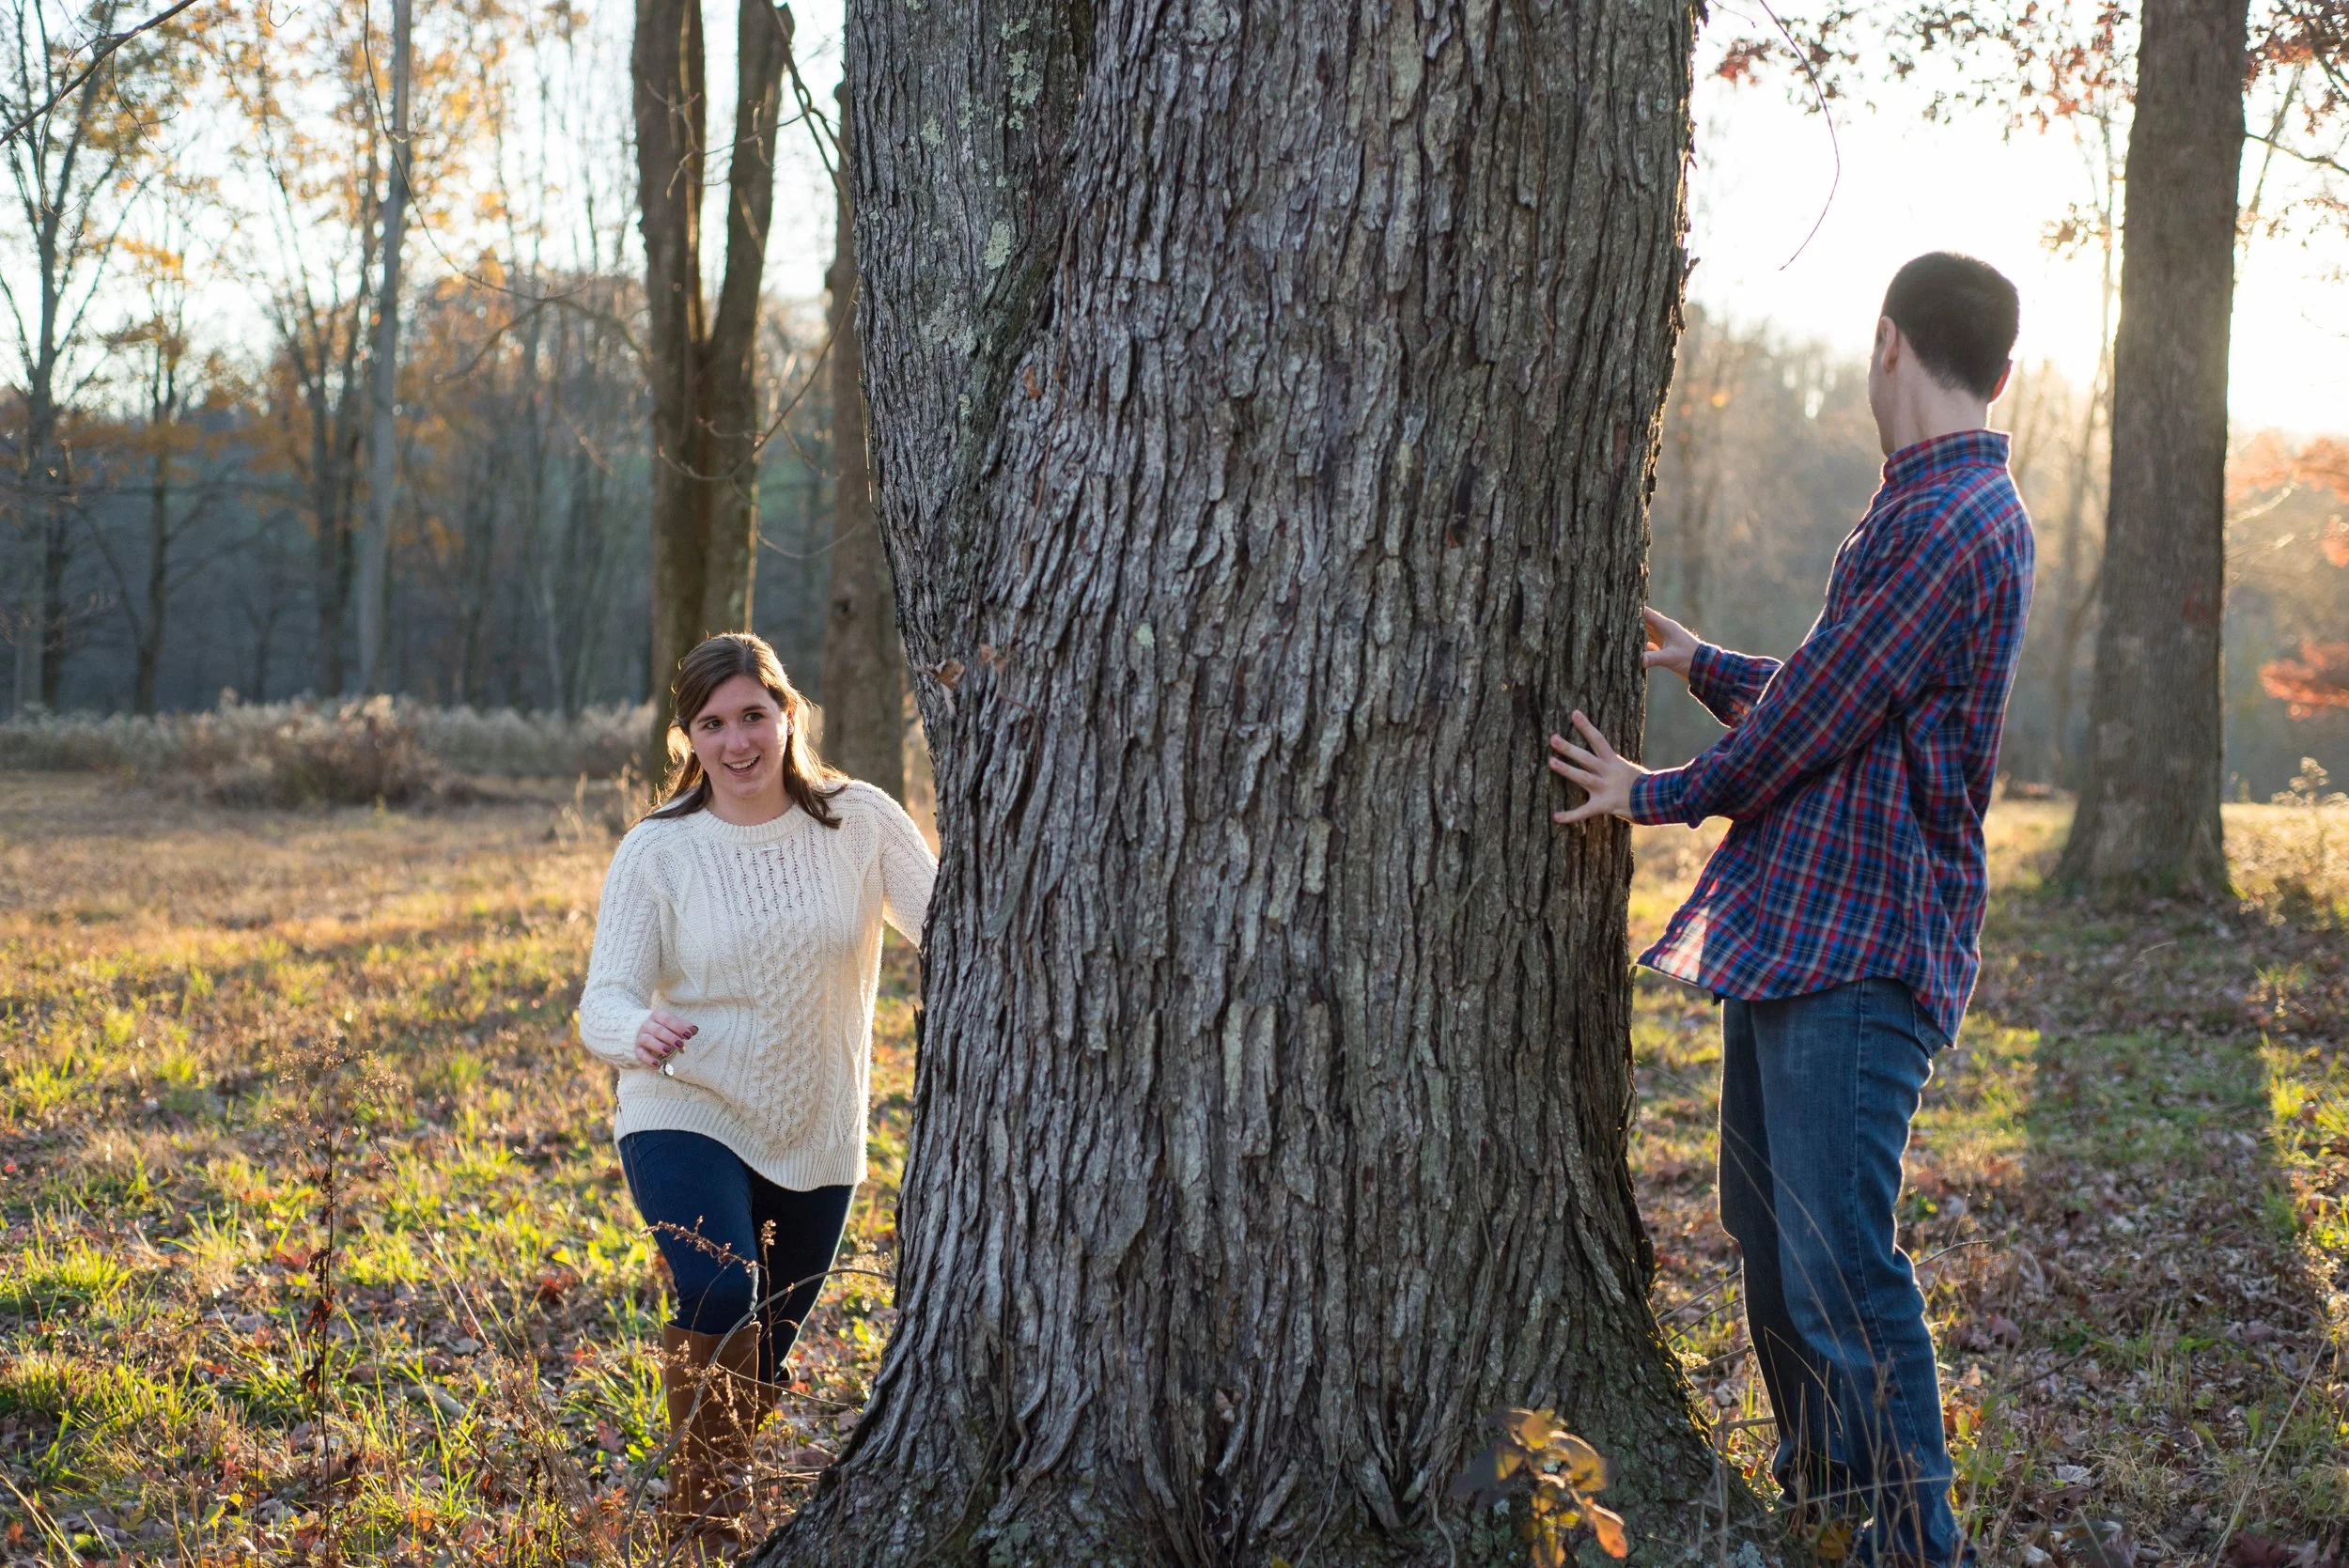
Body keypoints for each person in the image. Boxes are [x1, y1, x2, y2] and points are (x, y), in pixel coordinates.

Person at [1547, 252, 2031, 1567]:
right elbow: (1846, 690)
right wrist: (1701, 662)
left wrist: (1660, 793)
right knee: (1773, 1241)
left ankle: (1913, 1547)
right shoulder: (1922, 510)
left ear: (1888, 344)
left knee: (1838, 1267)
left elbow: (1822, 712)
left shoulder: (1956, 521)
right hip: (1810, 933)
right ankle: (1829, 1509)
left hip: (1864, 951)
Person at [576, 632, 936, 1545]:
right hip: (684, 1102)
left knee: (765, 1343)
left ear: (787, 715)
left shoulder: (859, 821)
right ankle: (702, 1521)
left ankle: (716, 1476)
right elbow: (604, 999)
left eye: (753, 716)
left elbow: (951, 925)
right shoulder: (659, 850)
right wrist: (633, 1031)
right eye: (712, 723)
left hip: (818, 1126)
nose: (737, 742)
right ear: (685, 738)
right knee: (720, 1288)